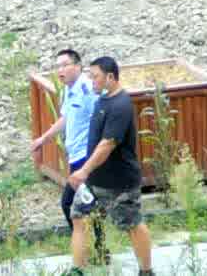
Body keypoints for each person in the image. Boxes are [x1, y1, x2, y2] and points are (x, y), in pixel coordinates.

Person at [63, 47, 155, 274]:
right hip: (95, 182)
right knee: (78, 217)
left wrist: (82, 171)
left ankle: (146, 271)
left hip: (118, 183)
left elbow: (107, 145)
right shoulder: (102, 99)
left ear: (110, 77)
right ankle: (77, 270)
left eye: (95, 76)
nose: (91, 80)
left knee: (132, 225)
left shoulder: (120, 105)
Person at [24, 47, 91, 184]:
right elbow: (65, 118)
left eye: (65, 65)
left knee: (72, 202)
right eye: (57, 66)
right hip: (75, 153)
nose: (60, 70)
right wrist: (42, 139)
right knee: (78, 202)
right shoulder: (68, 88)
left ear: (78, 66)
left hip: (87, 155)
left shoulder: (89, 90)